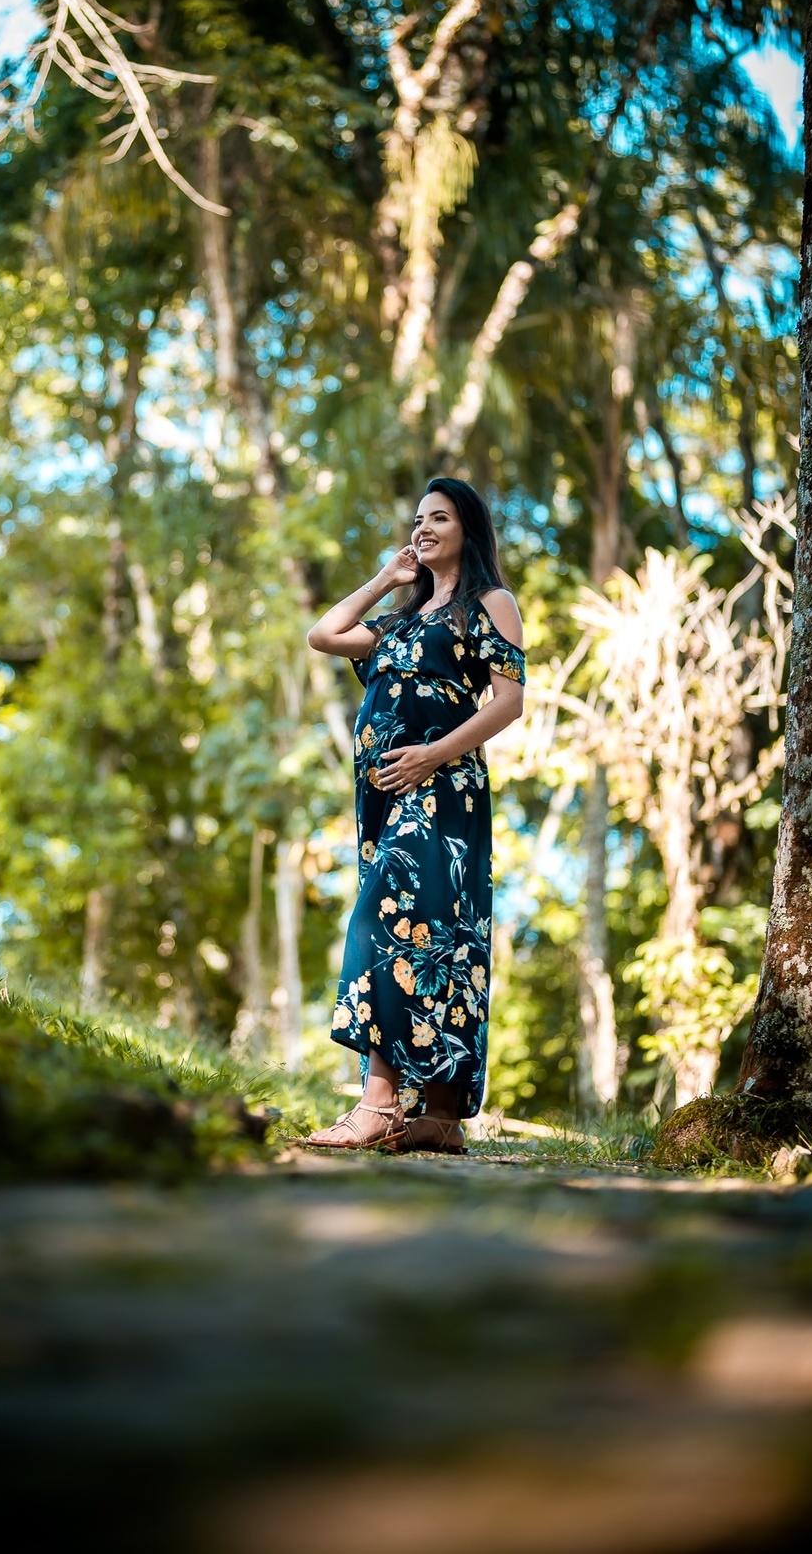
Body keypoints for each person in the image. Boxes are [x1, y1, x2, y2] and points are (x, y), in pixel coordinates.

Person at [304, 477, 525, 1152]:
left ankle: (377, 1103)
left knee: (399, 927)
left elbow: (509, 702)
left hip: (444, 790)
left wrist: (430, 756)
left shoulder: (489, 603)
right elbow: (323, 634)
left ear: (468, 529)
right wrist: (385, 576)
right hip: (383, 801)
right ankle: (439, 1116)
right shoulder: (398, 622)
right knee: (432, 934)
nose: (424, 527)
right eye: (418, 518)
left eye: (440, 517)